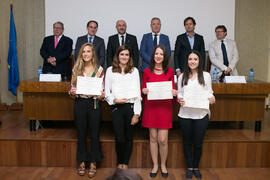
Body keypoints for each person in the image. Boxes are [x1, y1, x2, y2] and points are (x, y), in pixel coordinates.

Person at [177, 50, 215, 179]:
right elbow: (179, 93)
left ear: (199, 61)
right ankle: (189, 167)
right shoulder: (182, 76)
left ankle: (196, 166)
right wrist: (180, 99)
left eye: (195, 59)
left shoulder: (206, 75)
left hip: (201, 114)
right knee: (187, 142)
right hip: (185, 115)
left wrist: (212, 98)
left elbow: (209, 92)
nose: (192, 61)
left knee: (198, 143)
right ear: (187, 61)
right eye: (190, 59)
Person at [141, 45, 177, 178]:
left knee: (163, 139)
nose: (158, 56)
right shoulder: (146, 71)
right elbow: (143, 90)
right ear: (153, 55)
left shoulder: (170, 72)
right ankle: (156, 165)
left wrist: (174, 93)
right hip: (151, 108)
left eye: (161, 54)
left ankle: (163, 165)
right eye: (156, 53)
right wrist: (143, 91)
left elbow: (173, 91)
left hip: (164, 109)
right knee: (153, 138)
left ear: (164, 57)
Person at [69, 43, 104, 178]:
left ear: (93, 53)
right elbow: (71, 90)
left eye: (88, 51)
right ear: (81, 54)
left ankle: (94, 162)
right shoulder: (76, 69)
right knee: (81, 133)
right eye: (83, 52)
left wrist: (102, 95)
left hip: (94, 103)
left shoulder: (100, 70)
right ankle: (82, 162)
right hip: (80, 103)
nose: (85, 54)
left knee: (95, 134)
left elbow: (103, 90)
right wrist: (72, 91)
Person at [105, 45, 141, 169]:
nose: (124, 57)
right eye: (122, 54)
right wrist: (114, 100)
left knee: (129, 137)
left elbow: (138, 94)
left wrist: (137, 114)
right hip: (116, 108)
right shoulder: (110, 70)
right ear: (117, 56)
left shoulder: (134, 71)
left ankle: (125, 163)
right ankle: (119, 162)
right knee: (119, 138)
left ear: (129, 57)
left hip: (131, 107)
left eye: (127, 54)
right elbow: (106, 92)